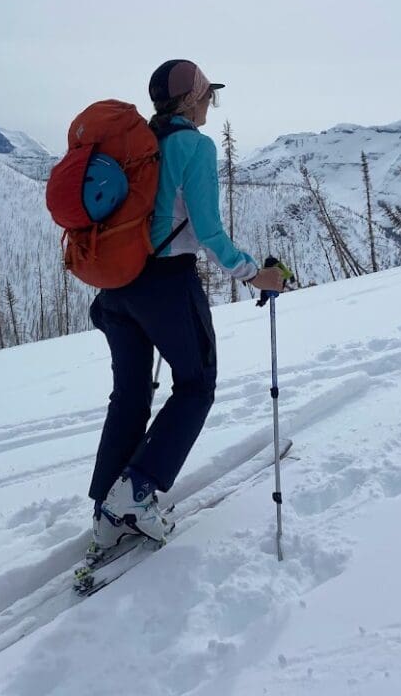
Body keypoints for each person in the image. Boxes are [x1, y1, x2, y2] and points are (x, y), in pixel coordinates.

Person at [88, 59, 286, 549]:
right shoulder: (194, 147)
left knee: (130, 395)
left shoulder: (139, 143)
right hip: (167, 284)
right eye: (207, 97)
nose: (210, 106)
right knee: (196, 384)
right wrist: (253, 274)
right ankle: (136, 491)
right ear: (191, 99)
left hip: (118, 287)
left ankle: (107, 508)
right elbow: (208, 231)